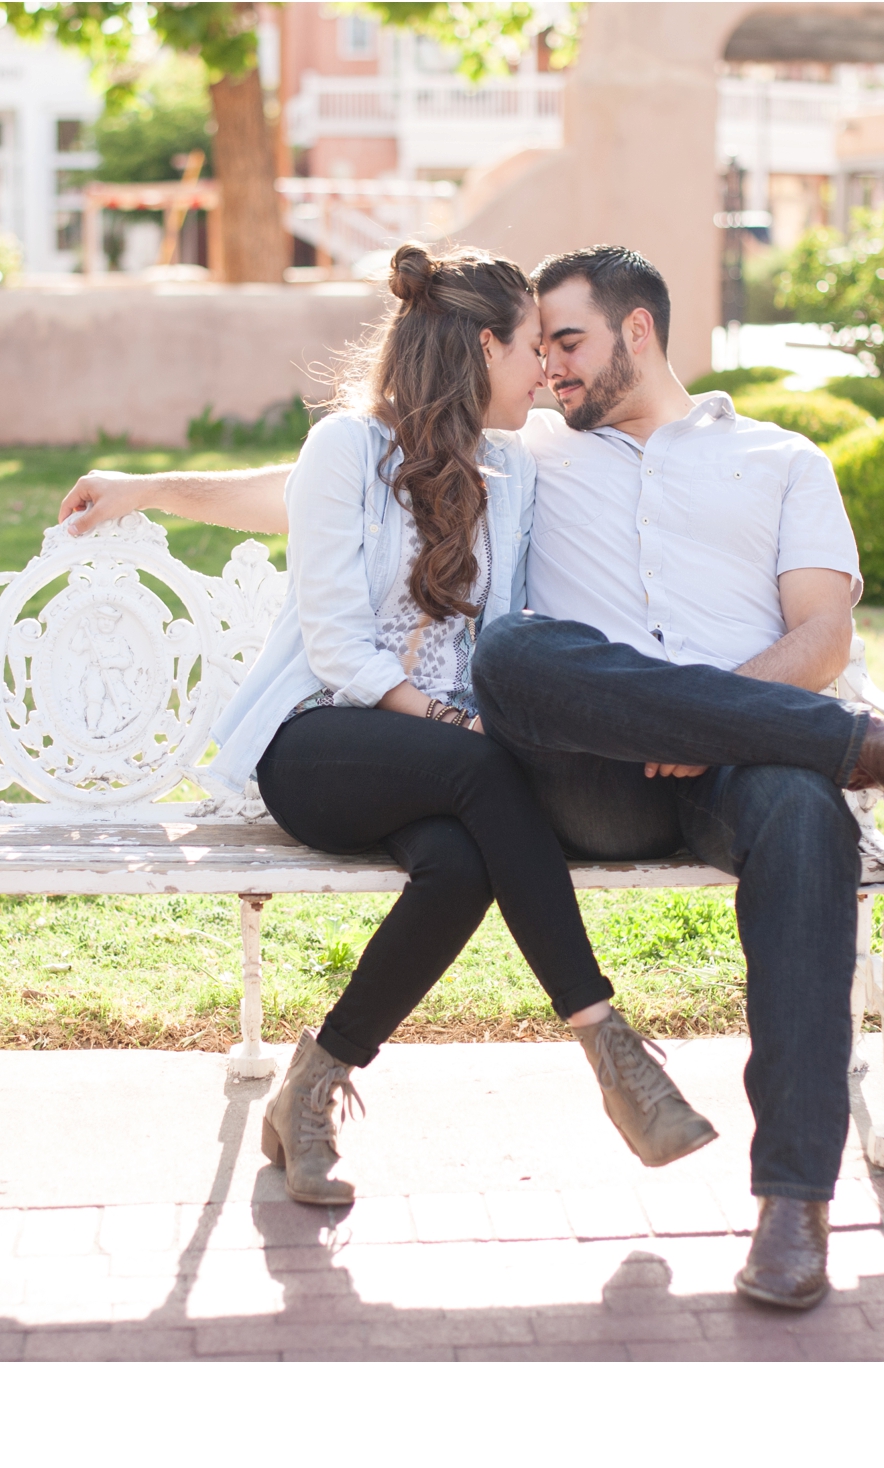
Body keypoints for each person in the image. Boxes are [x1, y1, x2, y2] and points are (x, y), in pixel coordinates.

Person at [58, 244, 884, 1310]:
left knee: (798, 821)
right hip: (545, 765)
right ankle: (850, 758)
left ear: (636, 332)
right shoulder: (526, 443)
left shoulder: (758, 459)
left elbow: (824, 628)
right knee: (515, 656)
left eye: (568, 343)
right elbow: (320, 488)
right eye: (536, 348)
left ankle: (789, 1208)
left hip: (727, 767)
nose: (551, 369)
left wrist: (710, 718)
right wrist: (152, 487)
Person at [199, 242, 719, 1208]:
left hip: (440, 765)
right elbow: (339, 644)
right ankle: (610, 1047)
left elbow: (508, 628)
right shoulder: (347, 451)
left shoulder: (510, 471)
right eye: (531, 348)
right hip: (320, 744)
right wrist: (448, 723)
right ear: (484, 347)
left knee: (462, 863)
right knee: (484, 779)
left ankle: (310, 1089)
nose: (547, 371)